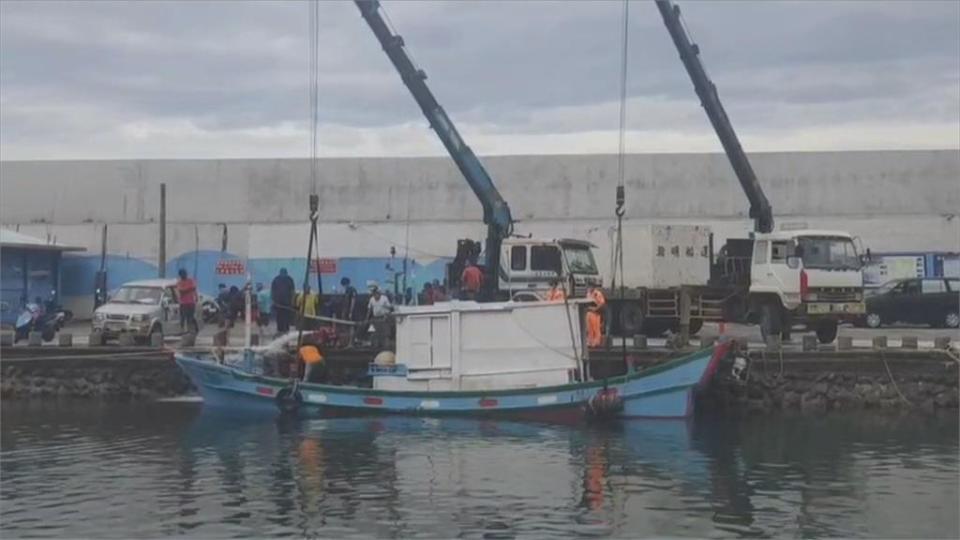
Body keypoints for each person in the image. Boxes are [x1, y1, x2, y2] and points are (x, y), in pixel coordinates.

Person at [271, 268, 295, 334]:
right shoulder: (289, 279)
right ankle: (284, 330)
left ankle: (281, 330)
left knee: (280, 317)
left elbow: (272, 292)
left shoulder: (276, 279)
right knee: (285, 317)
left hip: (279, 304)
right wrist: (292, 302)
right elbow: (293, 292)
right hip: (285, 304)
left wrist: (273, 301)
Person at [176, 269, 199, 334]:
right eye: (183, 274)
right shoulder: (179, 282)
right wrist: (189, 289)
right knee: (183, 317)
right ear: (180, 275)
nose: (185, 275)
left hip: (191, 302)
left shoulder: (190, 280)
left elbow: (194, 289)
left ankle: (190, 330)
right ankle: (182, 330)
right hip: (183, 303)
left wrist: (196, 297)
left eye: (185, 273)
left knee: (190, 317)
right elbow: (181, 291)